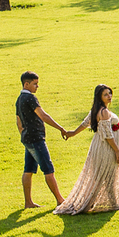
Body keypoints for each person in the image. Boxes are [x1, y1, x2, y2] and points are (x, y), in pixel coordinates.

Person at [54, 84, 119, 215]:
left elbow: (85, 123)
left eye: (110, 93)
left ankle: (114, 203)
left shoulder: (96, 109)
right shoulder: (103, 112)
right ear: (100, 97)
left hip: (100, 145)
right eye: (105, 94)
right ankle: (107, 203)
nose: (109, 96)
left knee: (104, 175)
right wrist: (117, 151)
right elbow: (108, 135)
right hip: (106, 147)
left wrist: (73, 133)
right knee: (106, 175)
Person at [15, 70, 70, 209]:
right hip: (36, 139)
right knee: (48, 169)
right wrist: (61, 128)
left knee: (28, 170)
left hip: (27, 138)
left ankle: (28, 202)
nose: (37, 87)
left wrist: (23, 135)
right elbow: (43, 116)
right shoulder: (30, 98)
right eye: (35, 84)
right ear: (26, 84)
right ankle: (60, 200)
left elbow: (18, 122)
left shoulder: (19, 99)